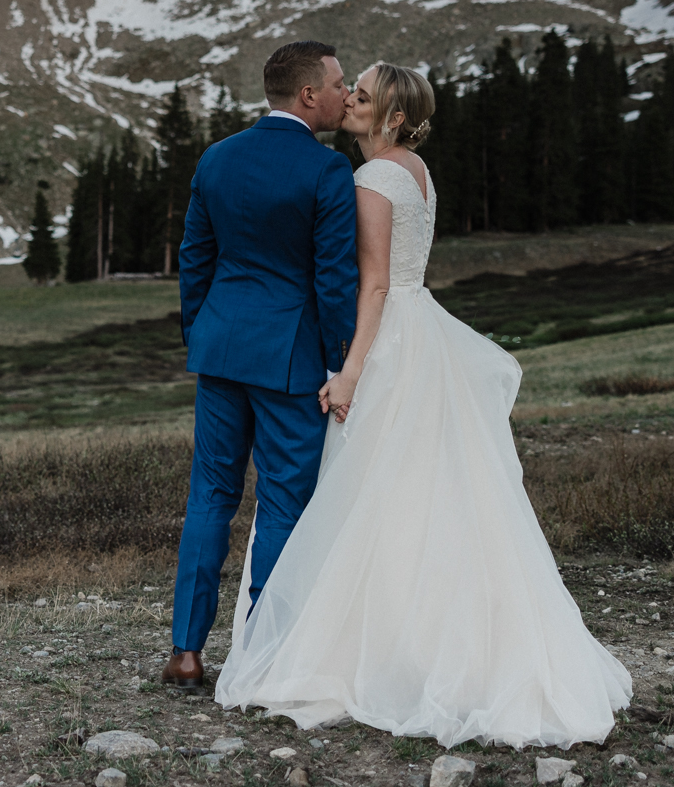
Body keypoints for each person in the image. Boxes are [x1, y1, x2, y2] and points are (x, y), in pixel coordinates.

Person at [212, 61, 632, 746]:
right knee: (421, 492)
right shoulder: (415, 169)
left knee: (376, 490)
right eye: (352, 91)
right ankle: (425, 635)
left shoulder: (374, 179)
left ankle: (387, 650)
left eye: (365, 97)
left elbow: (374, 287)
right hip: (420, 329)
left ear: (394, 116)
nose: (350, 101)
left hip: (390, 342)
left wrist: (347, 374)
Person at [162, 41, 358, 690]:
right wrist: (340, 364)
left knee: (209, 497)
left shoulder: (217, 158)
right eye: (336, 83)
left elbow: (196, 259)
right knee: (281, 503)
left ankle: (186, 653)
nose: (343, 93)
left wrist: (205, 335)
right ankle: (262, 654)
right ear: (308, 95)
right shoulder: (325, 170)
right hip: (290, 360)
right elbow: (333, 282)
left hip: (220, 352)